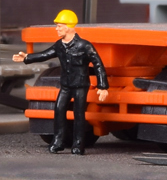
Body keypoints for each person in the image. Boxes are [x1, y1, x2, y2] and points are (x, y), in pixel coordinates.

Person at [14, 9, 109, 155]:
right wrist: (27, 58)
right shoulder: (59, 45)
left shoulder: (84, 45)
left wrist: (102, 86)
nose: (56, 29)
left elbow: (98, 65)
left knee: (79, 114)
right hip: (65, 86)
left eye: (59, 26)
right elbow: (45, 54)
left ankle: (78, 145)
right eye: (57, 26)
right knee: (59, 110)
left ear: (69, 27)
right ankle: (58, 142)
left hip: (80, 86)